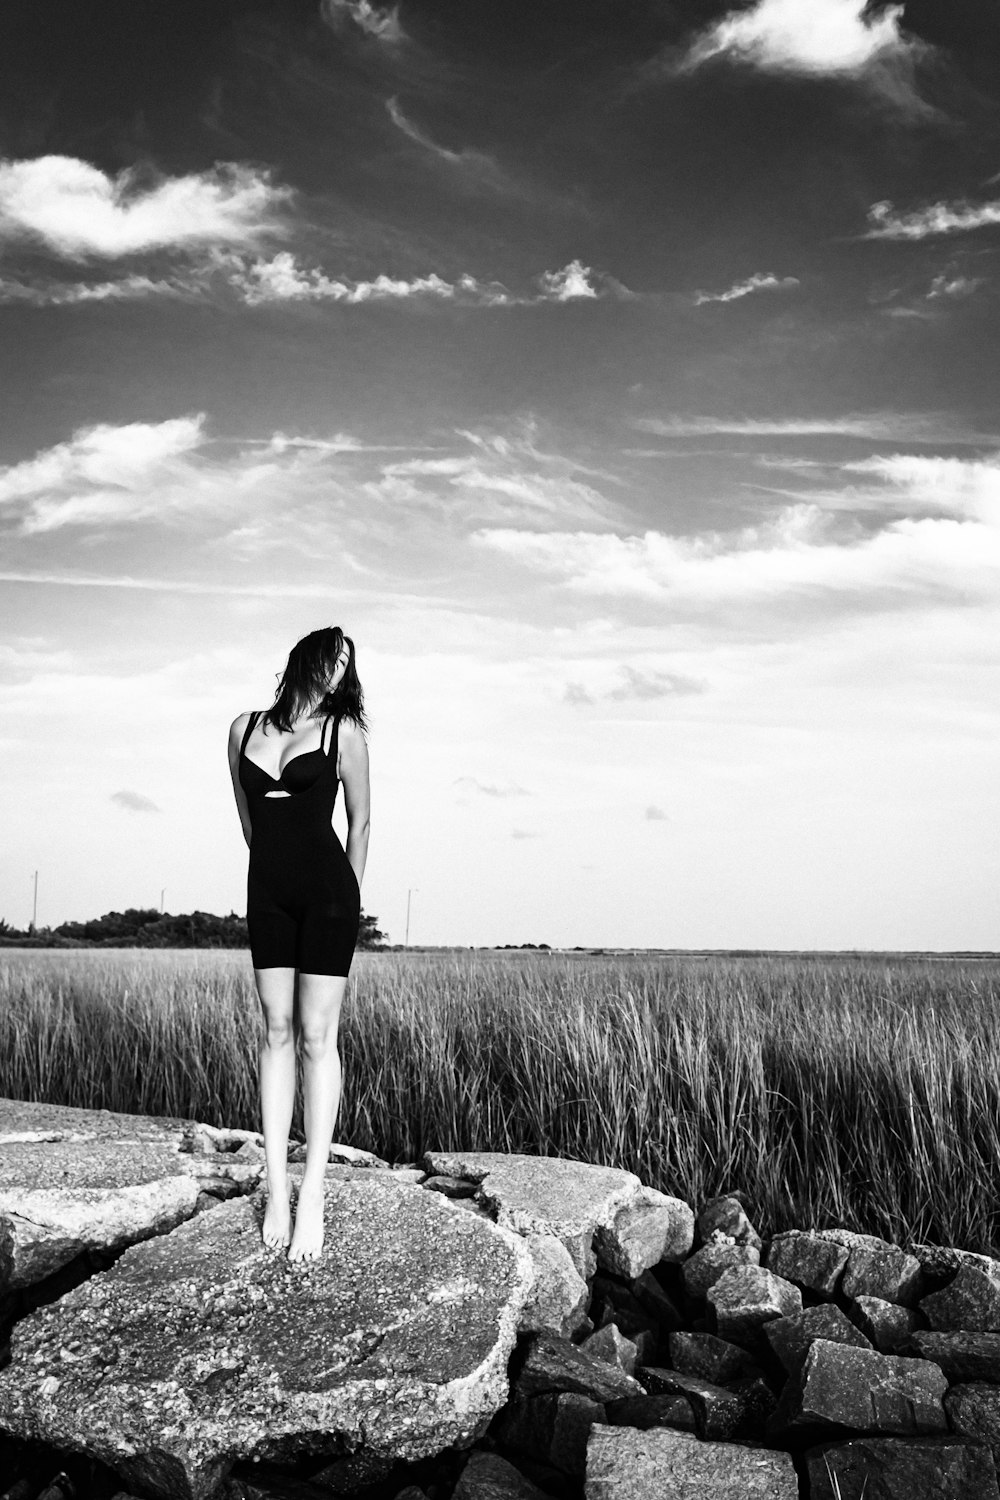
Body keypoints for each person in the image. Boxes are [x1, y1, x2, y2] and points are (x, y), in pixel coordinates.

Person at [227, 626, 370, 1262]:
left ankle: (313, 1189)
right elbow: (249, 819)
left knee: (317, 1036)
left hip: (330, 897)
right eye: (331, 661)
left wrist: (346, 900)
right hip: (269, 895)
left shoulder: (346, 736)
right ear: (304, 659)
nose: (338, 674)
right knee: (275, 1031)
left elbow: (360, 822)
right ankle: (277, 1184)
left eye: (347, 667)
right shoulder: (243, 727)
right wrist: (276, 876)